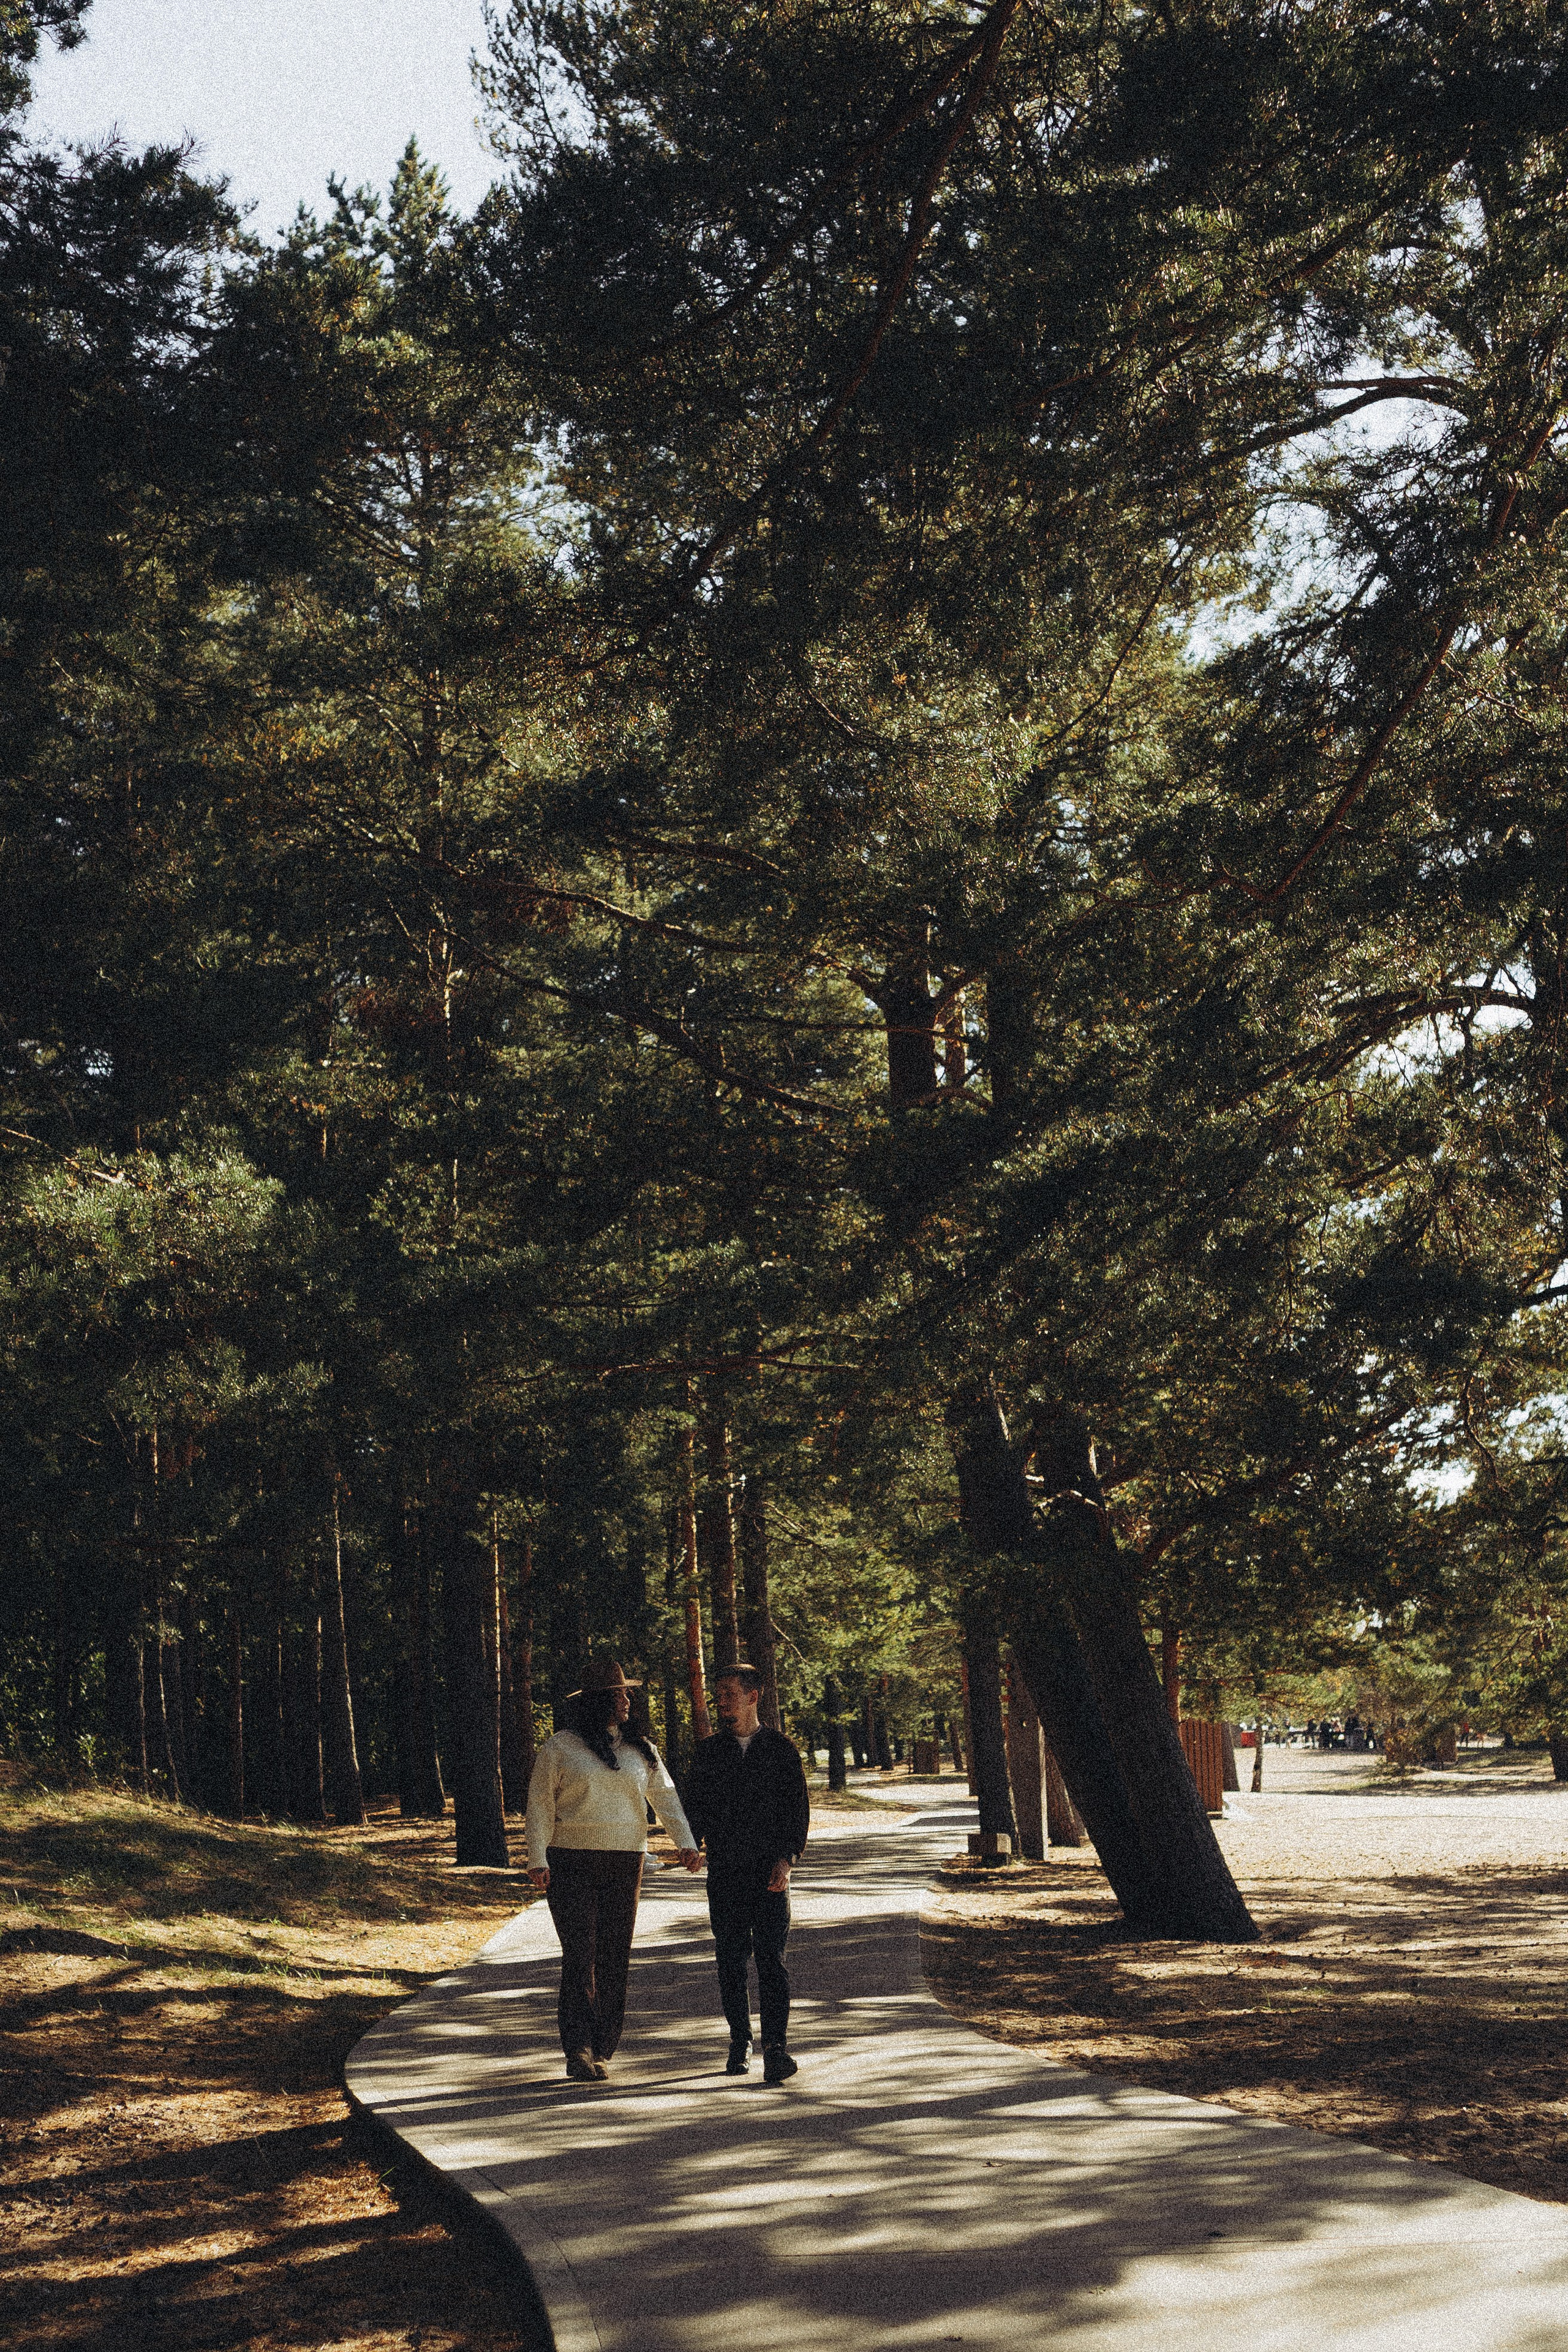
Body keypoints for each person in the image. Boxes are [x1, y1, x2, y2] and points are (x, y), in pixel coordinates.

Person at [526, 1656, 701, 2081]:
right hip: (570, 1860)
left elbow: (666, 1797)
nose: (627, 1701)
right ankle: (579, 2050)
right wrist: (537, 1857)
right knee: (580, 1956)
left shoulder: (641, 1749)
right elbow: (540, 1805)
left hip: (626, 1860)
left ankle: (603, 2047)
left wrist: (686, 1843)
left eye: (627, 1693)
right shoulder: (560, 1748)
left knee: (614, 1955)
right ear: (598, 1700)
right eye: (619, 1694)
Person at [684, 1662, 810, 2086]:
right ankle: (740, 2041)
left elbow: (797, 1811)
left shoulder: (781, 1749)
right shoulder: (709, 1752)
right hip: (725, 1872)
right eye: (718, 1695)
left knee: (772, 1961)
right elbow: (694, 1808)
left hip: (769, 1873)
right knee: (731, 1960)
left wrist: (787, 1859)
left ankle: (776, 2048)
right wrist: (691, 1845)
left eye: (729, 1694)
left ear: (753, 1696)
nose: (721, 1702)